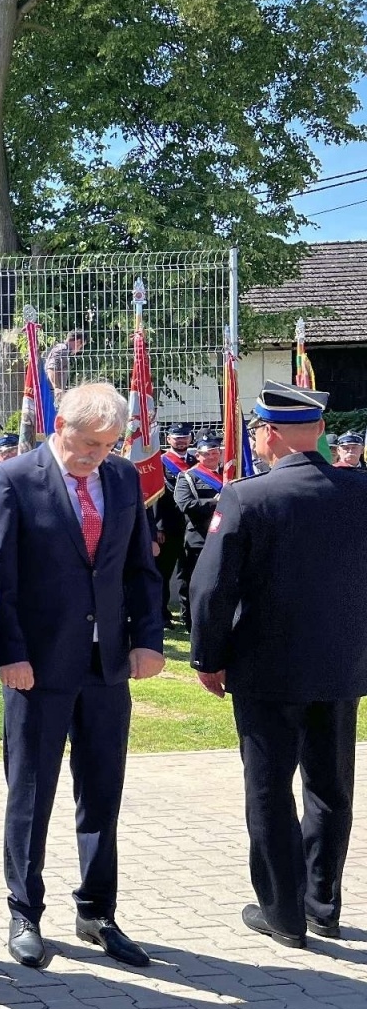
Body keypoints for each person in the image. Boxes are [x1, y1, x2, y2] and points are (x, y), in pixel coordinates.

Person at [0, 382, 164, 972]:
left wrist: (148, 639)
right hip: (36, 667)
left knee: (103, 792)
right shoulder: (11, 480)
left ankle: (97, 911)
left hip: (107, 665)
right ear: (59, 426)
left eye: (107, 445)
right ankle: (24, 912)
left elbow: (139, 568)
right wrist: (9, 654)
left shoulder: (123, 479)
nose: (94, 456)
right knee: (31, 793)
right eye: (87, 444)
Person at [190, 381, 367, 949]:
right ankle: (322, 905)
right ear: (319, 431)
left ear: (267, 434)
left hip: (267, 670)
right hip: (340, 665)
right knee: (330, 787)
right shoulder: (359, 491)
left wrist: (207, 656)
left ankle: (284, 915)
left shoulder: (248, 497)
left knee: (268, 790)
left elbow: (212, 588)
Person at [171, 434, 224, 631]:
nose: (211, 457)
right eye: (206, 454)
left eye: (214, 452)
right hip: (199, 538)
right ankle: (191, 621)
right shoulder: (188, 477)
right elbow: (185, 504)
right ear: (198, 456)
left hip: (224, 536)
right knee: (193, 582)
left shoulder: (229, 474)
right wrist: (215, 502)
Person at [157, 423, 196, 626]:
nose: (181, 441)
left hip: (193, 526)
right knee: (163, 572)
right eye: (177, 437)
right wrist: (158, 526)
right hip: (168, 526)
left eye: (184, 437)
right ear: (168, 439)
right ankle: (162, 614)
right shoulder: (160, 462)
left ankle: (187, 614)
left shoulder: (197, 461)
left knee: (187, 572)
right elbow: (155, 497)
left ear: (191, 439)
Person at [43, 330, 85, 399]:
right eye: (81, 346)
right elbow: (51, 368)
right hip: (50, 393)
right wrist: (57, 388)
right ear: (78, 341)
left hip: (52, 392)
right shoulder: (62, 349)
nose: (79, 350)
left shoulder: (64, 350)